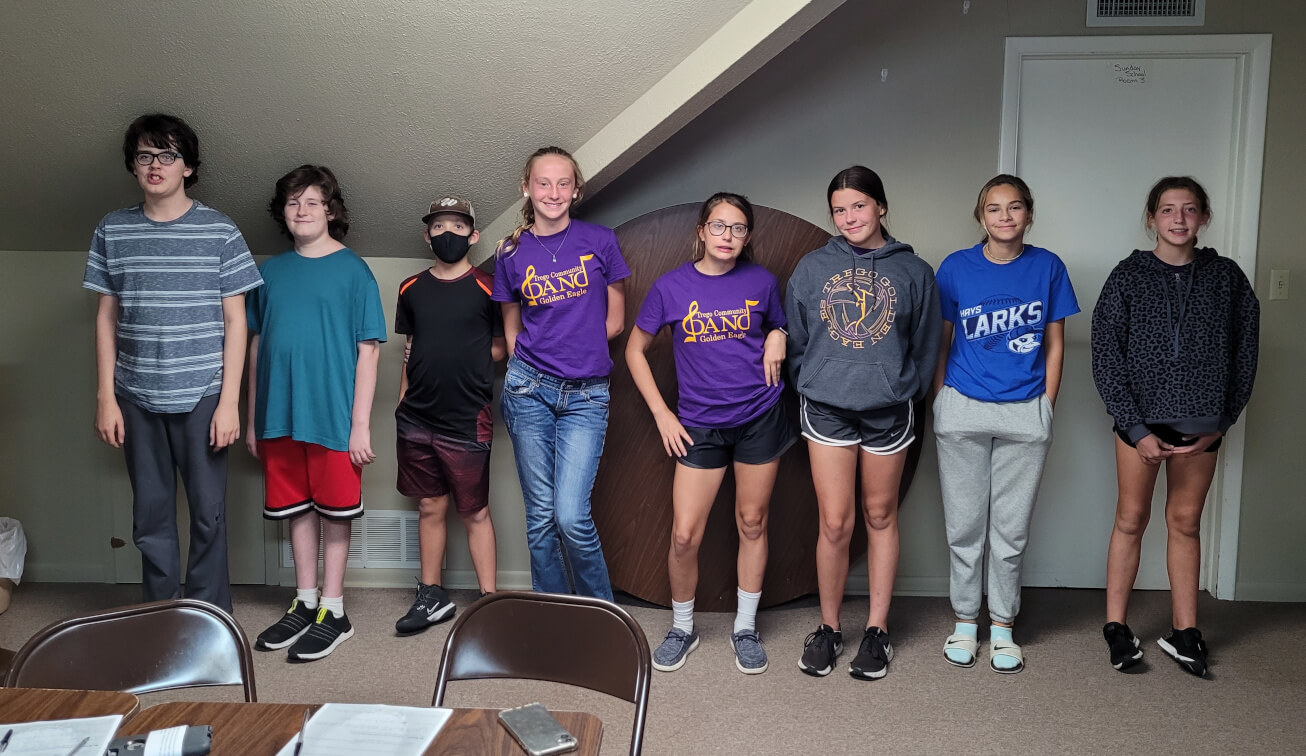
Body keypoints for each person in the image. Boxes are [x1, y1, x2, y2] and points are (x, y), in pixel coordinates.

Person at [83, 113, 262, 613]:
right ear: (133, 166)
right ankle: (159, 619)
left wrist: (228, 403)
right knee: (150, 518)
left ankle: (208, 621)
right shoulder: (113, 230)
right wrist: (105, 397)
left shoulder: (220, 230)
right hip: (135, 394)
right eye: (144, 155)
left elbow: (236, 321)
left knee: (209, 515)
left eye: (167, 154)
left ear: (188, 167)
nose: (154, 164)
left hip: (203, 393)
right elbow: (106, 317)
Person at [1092, 176, 1258, 677]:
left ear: (1204, 217)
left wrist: (1224, 420)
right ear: (1152, 218)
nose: (1178, 219)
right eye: (1167, 209)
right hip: (1139, 424)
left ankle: (1186, 631)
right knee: (1131, 519)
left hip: (1202, 426)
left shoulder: (1227, 278)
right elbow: (1106, 354)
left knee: (1185, 522)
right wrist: (1134, 427)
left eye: (1189, 209)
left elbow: (1246, 352)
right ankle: (1117, 627)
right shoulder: (1128, 276)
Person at [785, 165, 940, 680]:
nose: (850, 217)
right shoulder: (813, 268)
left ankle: (877, 630)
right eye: (839, 210)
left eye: (859, 205)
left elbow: (925, 346)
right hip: (827, 407)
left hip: (887, 411)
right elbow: (797, 339)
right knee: (835, 522)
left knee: (880, 516)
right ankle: (828, 628)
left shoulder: (914, 272)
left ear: (881, 207)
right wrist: (815, 380)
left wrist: (901, 388)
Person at [626, 193, 792, 675]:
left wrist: (778, 334)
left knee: (752, 522)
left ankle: (746, 628)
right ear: (701, 230)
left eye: (738, 228)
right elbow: (634, 351)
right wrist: (662, 414)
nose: (728, 236)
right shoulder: (670, 287)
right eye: (719, 226)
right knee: (684, 535)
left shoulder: (762, 282)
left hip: (759, 417)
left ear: (747, 236)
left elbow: (779, 326)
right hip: (699, 424)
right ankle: (683, 627)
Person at [931, 174, 1079, 673]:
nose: (1005, 217)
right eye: (994, 208)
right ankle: (964, 622)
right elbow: (941, 340)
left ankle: (1002, 627)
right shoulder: (956, 267)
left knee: (1010, 533)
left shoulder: (1048, 267)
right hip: (963, 407)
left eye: (1015, 207)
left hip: (1025, 410)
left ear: (1029, 214)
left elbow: (1055, 343)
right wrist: (940, 399)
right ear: (981, 216)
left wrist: (1047, 404)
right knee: (964, 527)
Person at [246, 165, 386, 661]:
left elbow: (369, 350)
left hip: (333, 417)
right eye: (292, 202)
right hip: (279, 415)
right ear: (282, 213)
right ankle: (305, 602)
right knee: (296, 510)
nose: (301, 210)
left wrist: (360, 426)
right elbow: (255, 346)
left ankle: (334, 609)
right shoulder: (269, 273)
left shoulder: (354, 271)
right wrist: (252, 418)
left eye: (312, 202)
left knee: (335, 510)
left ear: (330, 211)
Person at [491, 147, 630, 601]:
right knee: (541, 517)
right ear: (526, 188)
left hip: (586, 395)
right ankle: (553, 616)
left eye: (563, 183)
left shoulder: (601, 240)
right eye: (543, 183)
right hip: (528, 389)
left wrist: (575, 349)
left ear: (576, 190)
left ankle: (602, 618)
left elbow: (615, 322)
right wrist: (532, 361)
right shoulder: (510, 251)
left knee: (571, 516)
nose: (553, 193)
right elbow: (511, 325)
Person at [393, 195, 505, 634]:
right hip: (417, 417)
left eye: (457, 227)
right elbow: (410, 349)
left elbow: (502, 346)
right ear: (427, 235)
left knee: (474, 511)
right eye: (439, 227)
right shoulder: (410, 288)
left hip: (467, 417)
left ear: (473, 236)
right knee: (429, 505)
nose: (447, 234)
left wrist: (467, 356)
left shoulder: (489, 287)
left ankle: (489, 602)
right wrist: (401, 402)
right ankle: (432, 596)